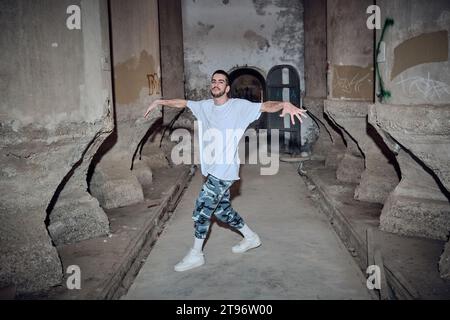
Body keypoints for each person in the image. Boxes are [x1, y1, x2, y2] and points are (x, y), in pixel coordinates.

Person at [144, 70, 307, 272]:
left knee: (201, 211)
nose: (216, 84)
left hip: (224, 170)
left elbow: (265, 106)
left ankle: (196, 254)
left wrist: (284, 104)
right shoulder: (204, 106)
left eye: (221, 81)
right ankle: (251, 238)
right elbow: (183, 103)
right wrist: (160, 102)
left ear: (227, 88)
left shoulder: (238, 106)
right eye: (213, 81)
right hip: (210, 170)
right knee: (222, 211)